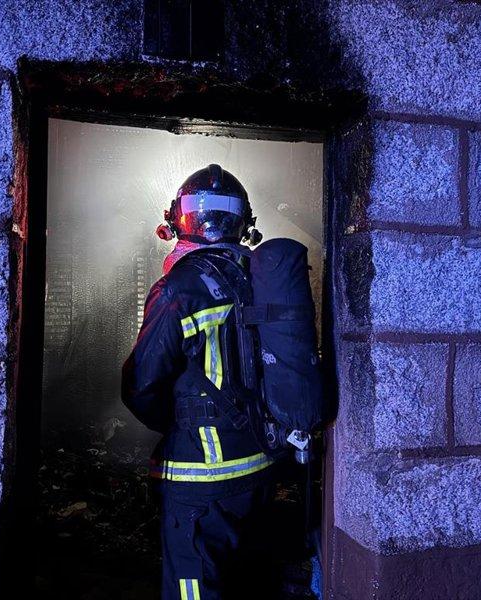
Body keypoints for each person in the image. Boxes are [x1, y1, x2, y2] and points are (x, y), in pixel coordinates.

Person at [121, 164, 280, 599]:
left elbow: (141, 386)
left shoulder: (179, 287)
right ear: (244, 225)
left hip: (200, 483)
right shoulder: (263, 281)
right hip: (262, 470)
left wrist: (181, 424)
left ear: (177, 221)